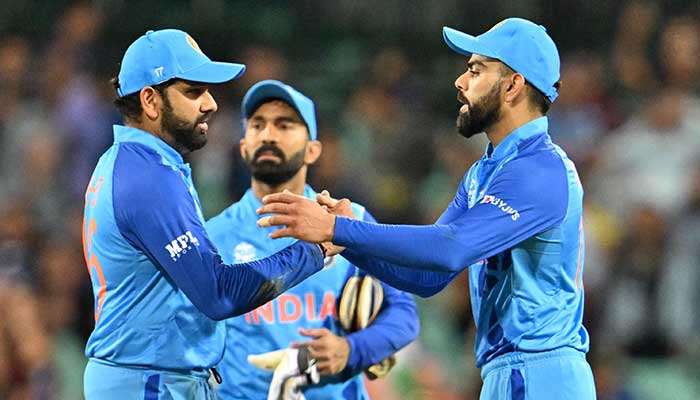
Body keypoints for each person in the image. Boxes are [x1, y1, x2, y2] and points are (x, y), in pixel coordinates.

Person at [258, 18, 596, 399]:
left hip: (542, 375)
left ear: (512, 85)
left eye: (475, 69)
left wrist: (337, 229)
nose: (460, 81)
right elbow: (427, 277)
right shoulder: (485, 171)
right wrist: (347, 239)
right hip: (509, 374)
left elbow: (451, 248)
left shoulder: (540, 169)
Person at [82, 30, 327, 400]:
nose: (211, 103)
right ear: (150, 100)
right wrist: (314, 250)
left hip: (151, 377)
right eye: (194, 91)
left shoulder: (137, 164)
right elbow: (218, 294)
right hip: (148, 383)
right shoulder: (148, 178)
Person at [206, 80, 419, 399]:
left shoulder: (348, 221)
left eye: (284, 124)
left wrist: (351, 350)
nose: (268, 134)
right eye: (257, 125)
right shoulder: (213, 235)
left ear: (313, 150)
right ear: (243, 147)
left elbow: (403, 315)